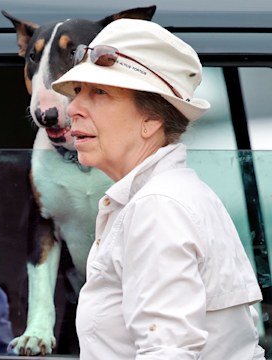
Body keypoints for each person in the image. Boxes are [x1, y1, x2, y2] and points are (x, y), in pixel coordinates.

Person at [51, 19, 265, 359]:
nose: (73, 109)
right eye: (78, 92)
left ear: (151, 120)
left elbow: (167, 353)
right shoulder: (170, 196)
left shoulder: (157, 207)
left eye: (100, 92)